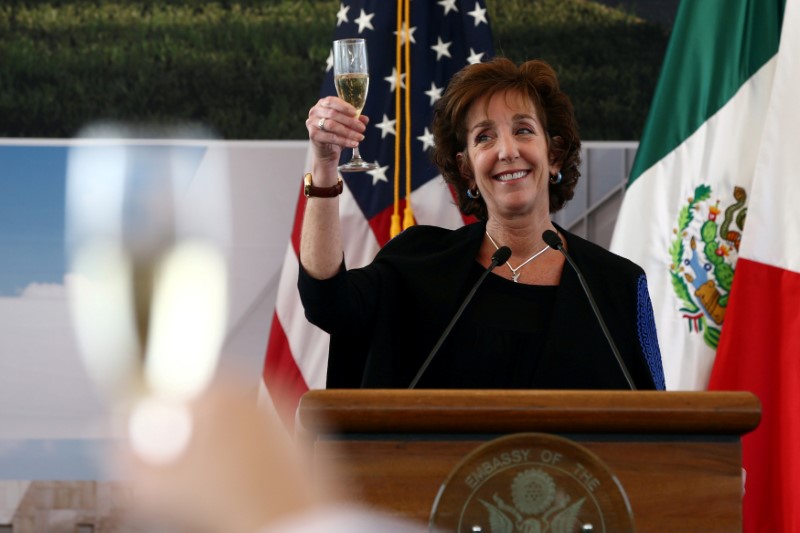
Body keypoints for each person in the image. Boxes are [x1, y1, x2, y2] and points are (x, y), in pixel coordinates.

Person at [300, 57, 665, 391]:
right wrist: (324, 164)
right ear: (467, 170)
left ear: (553, 156)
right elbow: (327, 303)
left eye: (523, 130)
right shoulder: (417, 263)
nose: (507, 150)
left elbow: (656, 428)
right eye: (484, 137)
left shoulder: (617, 287)